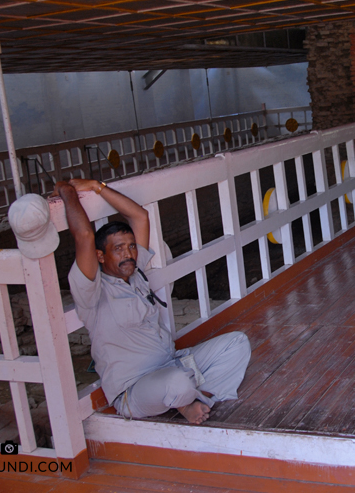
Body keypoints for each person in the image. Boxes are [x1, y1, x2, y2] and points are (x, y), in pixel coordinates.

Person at [54, 178, 250, 424]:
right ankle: (186, 398)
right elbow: (83, 235)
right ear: (100, 256)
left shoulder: (135, 274)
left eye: (131, 246)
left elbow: (140, 217)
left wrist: (96, 186)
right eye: (119, 249)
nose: (128, 254)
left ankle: (198, 399)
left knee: (237, 343)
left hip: (172, 362)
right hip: (135, 388)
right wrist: (66, 190)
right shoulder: (92, 292)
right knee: (178, 382)